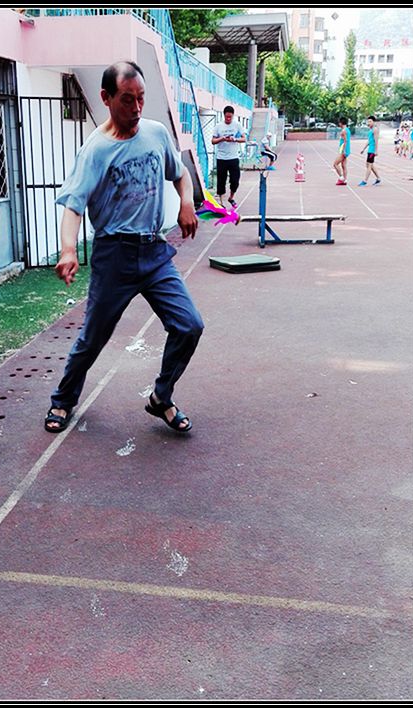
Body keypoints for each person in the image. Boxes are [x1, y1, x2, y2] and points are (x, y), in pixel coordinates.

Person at [44, 61, 203, 435]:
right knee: (93, 339)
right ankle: (63, 400)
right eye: (127, 99)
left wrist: (186, 201)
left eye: (141, 98)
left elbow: (180, 173)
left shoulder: (156, 133)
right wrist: (68, 250)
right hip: (114, 256)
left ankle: (161, 397)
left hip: (154, 252)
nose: (136, 108)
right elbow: (73, 206)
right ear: (106, 98)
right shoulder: (95, 150)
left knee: (189, 325)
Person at [211, 105, 246, 207]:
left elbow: (244, 139)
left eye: (230, 117)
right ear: (224, 115)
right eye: (227, 117)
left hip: (233, 157)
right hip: (221, 158)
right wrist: (222, 138)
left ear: (233, 116)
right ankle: (222, 203)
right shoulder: (218, 126)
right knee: (221, 181)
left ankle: (231, 197)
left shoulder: (237, 125)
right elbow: (213, 141)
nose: (228, 119)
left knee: (235, 180)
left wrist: (235, 139)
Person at [359, 115, 381, 186]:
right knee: (369, 165)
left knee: (369, 165)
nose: (368, 123)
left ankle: (365, 181)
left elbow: (376, 140)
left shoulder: (375, 129)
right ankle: (378, 178)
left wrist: (376, 150)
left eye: (370, 121)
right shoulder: (371, 130)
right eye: (368, 121)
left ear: (374, 122)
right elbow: (369, 140)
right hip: (369, 149)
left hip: (372, 150)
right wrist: (363, 149)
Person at [333, 117, 350, 185]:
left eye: (339, 123)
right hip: (346, 149)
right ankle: (345, 180)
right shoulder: (347, 130)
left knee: (335, 164)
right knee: (343, 165)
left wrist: (343, 151)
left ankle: (341, 178)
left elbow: (345, 141)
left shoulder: (344, 131)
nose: (338, 124)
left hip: (344, 150)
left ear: (341, 123)